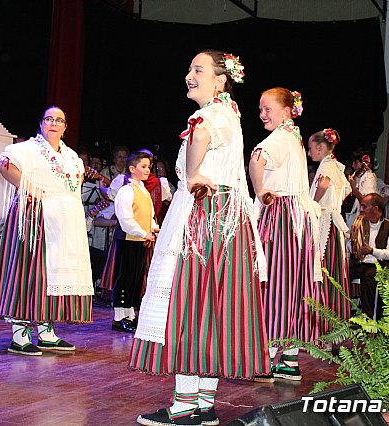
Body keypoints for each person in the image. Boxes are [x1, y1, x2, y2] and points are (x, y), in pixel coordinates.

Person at [131, 50, 269, 426]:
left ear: (220, 79)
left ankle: (184, 405)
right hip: (226, 218)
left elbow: (202, 134)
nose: (189, 75)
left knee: (190, 303)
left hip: (207, 216)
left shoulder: (209, 115)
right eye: (189, 68)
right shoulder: (230, 112)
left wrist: (191, 174)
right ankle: (203, 403)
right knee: (210, 307)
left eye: (198, 69)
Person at [0, 106, 93, 356]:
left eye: (60, 121)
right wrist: (31, 189)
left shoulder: (71, 156)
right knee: (29, 272)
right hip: (35, 217)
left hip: (63, 223)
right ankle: (19, 335)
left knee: (53, 276)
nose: (54, 124)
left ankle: (47, 332)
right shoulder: (28, 149)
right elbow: (4, 164)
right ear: (41, 123)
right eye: (49, 119)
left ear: (65, 128)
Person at [249, 87, 322, 382]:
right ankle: (289, 359)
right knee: (293, 286)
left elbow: (257, 158)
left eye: (268, 108)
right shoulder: (293, 136)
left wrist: (260, 190)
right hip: (298, 219)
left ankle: (265, 359)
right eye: (261, 109)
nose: (263, 114)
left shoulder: (279, 137)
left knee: (274, 283)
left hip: (281, 216)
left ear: (286, 111)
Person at [110, 151, 158, 333]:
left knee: (136, 278)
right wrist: (142, 232)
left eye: (148, 167)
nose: (148, 170)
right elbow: (126, 219)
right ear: (132, 169)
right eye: (143, 167)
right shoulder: (126, 191)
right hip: (129, 239)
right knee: (125, 277)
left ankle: (130, 314)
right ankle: (118, 317)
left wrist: (154, 228)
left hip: (140, 241)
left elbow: (149, 216)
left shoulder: (143, 191)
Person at [307, 129, 352, 326]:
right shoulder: (335, 166)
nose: (309, 154)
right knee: (331, 270)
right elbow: (347, 189)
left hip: (327, 222)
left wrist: (314, 203)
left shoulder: (327, 165)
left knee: (324, 270)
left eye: (310, 149)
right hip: (333, 222)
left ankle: (325, 323)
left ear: (319, 147)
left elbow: (324, 184)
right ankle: (331, 321)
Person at [350, 193, 389, 319]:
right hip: (362, 264)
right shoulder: (360, 223)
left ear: (375, 209)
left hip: (380, 266)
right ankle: (343, 313)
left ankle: (369, 319)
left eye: (364, 206)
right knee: (342, 273)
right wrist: (352, 244)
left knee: (368, 276)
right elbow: (350, 247)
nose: (361, 209)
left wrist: (372, 251)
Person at [345, 149, 378, 228]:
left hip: (363, 220)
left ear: (363, 163)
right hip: (354, 217)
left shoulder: (369, 177)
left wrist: (354, 188)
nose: (353, 165)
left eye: (355, 162)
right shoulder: (357, 176)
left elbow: (366, 202)